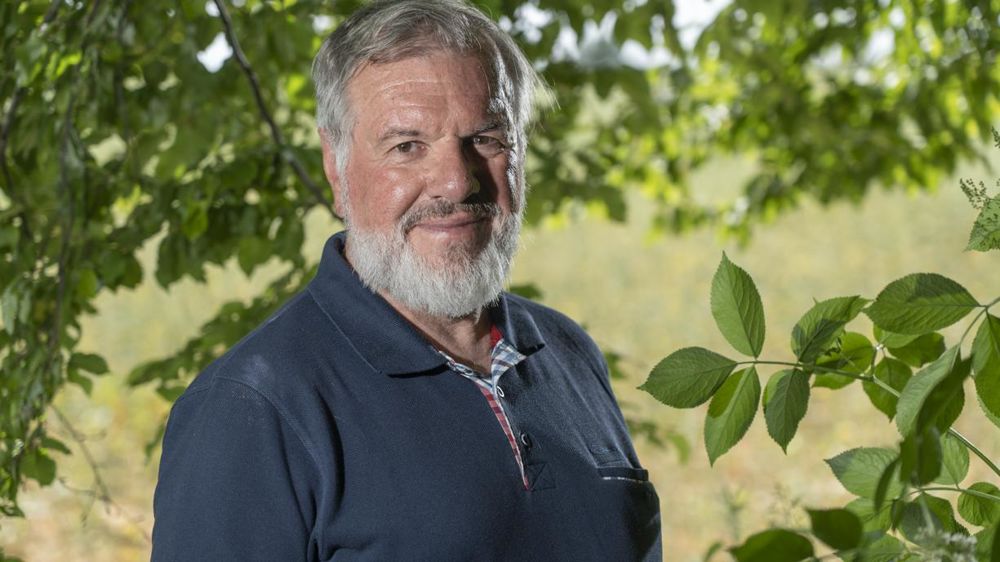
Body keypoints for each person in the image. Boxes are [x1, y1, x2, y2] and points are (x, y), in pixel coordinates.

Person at [150, 0, 661, 560]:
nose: (455, 182)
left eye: (486, 138)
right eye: (407, 146)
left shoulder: (568, 353)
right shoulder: (254, 406)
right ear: (335, 166)